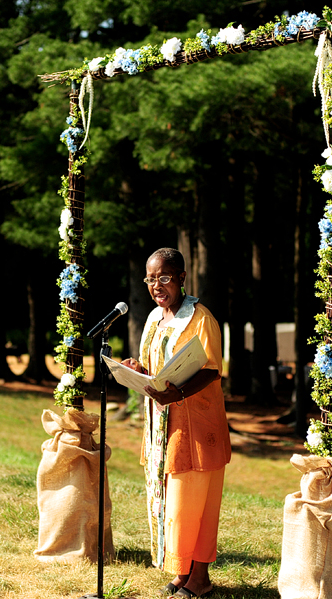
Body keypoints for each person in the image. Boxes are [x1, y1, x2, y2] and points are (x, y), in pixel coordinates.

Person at [121, 247, 231, 599]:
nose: (157, 285)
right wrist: (138, 371)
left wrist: (178, 395)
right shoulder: (154, 318)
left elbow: (212, 371)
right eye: (151, 279)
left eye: (164, 277)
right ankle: (182, 572)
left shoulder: (200, 319)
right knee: (170, 503)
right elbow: (157, 368)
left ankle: (200, 579)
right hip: (162, 426)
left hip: (196, 427)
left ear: (182, 278)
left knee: (194, 504)